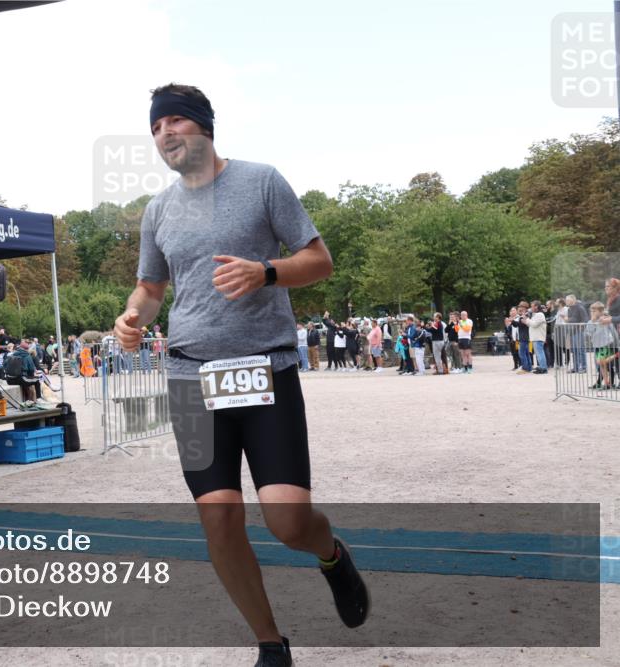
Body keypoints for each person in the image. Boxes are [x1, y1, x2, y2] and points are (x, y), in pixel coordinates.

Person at [113, 83, 368, 667]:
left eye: (175, 121)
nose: (164, 135)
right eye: (155, 128)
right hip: (188, 378)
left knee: (286, 520)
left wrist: (267, 272)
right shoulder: (158, 210)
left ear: (204, 126)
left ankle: (330, 553)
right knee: (219, 517)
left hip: (264, 368)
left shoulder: (261, 181)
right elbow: (151, 288)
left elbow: (320, 260)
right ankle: (270, 644)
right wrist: (132, 317)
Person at [4, 340, 42, 404]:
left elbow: (4, 365)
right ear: (27, 349)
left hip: (9, 379)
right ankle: (38, 400)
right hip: (19, 378)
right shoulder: (27, 355)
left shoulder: (11, 354)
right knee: (37, 381)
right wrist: (31, 376)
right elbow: (31, 369)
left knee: (27, 381)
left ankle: (28, 400)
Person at [522, 302, 548, 374]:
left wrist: (526, 320)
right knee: (538, 353)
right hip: (535, 337)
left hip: (538, 337)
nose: (530, 308)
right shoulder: (536, 315)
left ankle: (544, 368)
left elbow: (534, 324)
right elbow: (531, 325)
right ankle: (542, 367)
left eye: (532, 306)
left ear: (536, 307)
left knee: (540, 353)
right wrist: (526, 321)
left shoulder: (540, 314)